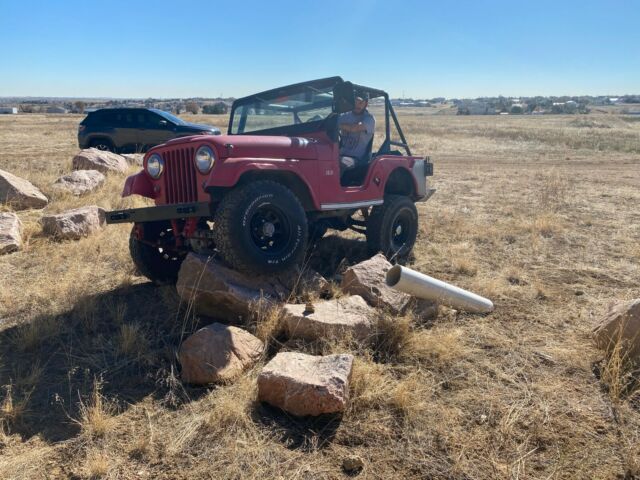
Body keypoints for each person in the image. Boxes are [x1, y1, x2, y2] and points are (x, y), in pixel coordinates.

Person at [338, 92, 375, 176]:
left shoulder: (369, 119)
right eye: (355, 102)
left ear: (366, 103)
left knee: (336, 162)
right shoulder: (344, 116)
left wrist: (336, 125)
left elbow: (354, 128)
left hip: (358, 159)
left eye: (361, 102)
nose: (358, 105)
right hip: (341, 154)